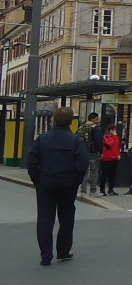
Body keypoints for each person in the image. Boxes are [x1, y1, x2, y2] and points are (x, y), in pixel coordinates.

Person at [28, 106, 89, 265]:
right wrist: (75, 181)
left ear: (53, 120)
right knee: (67, 218)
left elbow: (32, 161)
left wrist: (37, 180)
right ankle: (63, 251)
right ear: (71, 122)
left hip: (46, 183)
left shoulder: (42, 139)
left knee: (45, 219)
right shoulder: (75, 140)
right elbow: (82, 163)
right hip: (68, 184)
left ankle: (46, 256)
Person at [76, 111, 101, 197]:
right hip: (92, 151)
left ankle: (83, 191)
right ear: (93, 119)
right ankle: (93, 191)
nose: (98, 120)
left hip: (82, 152)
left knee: (85, 171)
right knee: (94, 171)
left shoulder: (81, 127)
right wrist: (100, 151)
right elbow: (98, 141)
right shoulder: (95, 127)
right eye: (97, 118)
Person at [98, 124, 121, 196]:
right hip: (107, 158)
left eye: (115, 130)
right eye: (113, 130)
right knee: (104, 175)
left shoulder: (116, 137)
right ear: (109, 130)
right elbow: (109, 144)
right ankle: (102, 190)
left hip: (114, 158)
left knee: (112, 175)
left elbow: (118, 146)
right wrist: (114, 136)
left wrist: (119, 154)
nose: (115, 131)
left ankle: (111, 189)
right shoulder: (106, 137)